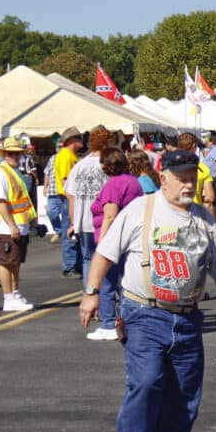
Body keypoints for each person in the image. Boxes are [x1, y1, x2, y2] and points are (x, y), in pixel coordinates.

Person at [78, 149, 216, 432]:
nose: (188, 184)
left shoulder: (203, 217)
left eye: (192, 178)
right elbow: (105, 253)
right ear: (164, 178)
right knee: (146, 381)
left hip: (187, 317)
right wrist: (92, 292)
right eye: (181, 178)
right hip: (144, 312)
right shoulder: (141, 209)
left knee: (185, 391)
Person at [87, 146, 144, 341]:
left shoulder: (113, 185)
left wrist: (103, 242)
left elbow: (110, 215)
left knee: (107, 283)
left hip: (115, 240)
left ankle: (109, 323)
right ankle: (129, 319)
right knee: (126, 282)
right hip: (131, 238)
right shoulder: (134, 182)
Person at [0, 136, 38, 312]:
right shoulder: (1, 173)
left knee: (15, 261)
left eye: (17, 154)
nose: (15, 157)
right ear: (4, 154)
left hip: (18, 225)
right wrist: (12, 225)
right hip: (7, 226)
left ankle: (15, 293)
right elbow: (1, 201)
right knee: (7, 262)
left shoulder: (14, 172)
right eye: (11, 154)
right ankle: (8, 297)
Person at [65, 126, 111, 289]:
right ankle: (102, 297)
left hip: (84, 221)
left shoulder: (80, 165)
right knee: (106, 260)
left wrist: (73, 222)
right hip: (104, 221)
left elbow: (71, 196)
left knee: (88, 259)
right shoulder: (108, 165)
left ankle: (89, 292)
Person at [53, 127, 84, 276]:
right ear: (71, 140)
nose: (81, 141)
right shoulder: (66, 156)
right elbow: (66, 181)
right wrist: (71, 199)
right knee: (70, 231)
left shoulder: (71, 155)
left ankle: (75, 264)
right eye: (79, 138)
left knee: (75, 230)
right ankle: (70, 266)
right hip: (68, 198)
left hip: (72, 198)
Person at [178, 133, 215, 220]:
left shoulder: (169, 167)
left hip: (173, 214)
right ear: (194, 145)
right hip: (194, 215)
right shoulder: (202, 168)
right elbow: (209, 197)